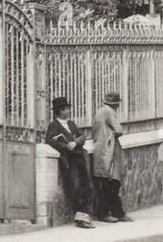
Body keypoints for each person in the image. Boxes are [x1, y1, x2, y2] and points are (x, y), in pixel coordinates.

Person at [45, 97, 95, 229]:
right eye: (66, 109)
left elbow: (82, 136)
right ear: (60, 111)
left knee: (88, 186)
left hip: (80, 157)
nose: (68, 111)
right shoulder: (54, 125)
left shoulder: (71, 123)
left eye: (68, 108)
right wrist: (65, 146)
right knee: (75, 187)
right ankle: (80, 218)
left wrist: (76, 142)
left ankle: (84, 215)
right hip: (68, 160)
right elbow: (50, 141)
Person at [90, 90, 132, 222]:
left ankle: (111, 212)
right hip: (108, 151)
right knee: (112, 183)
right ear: (116, 104)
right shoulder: (109, 112)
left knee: (104, 183)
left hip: (99, 149)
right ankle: (113, 213)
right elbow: (119, 130)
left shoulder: (100, 111)